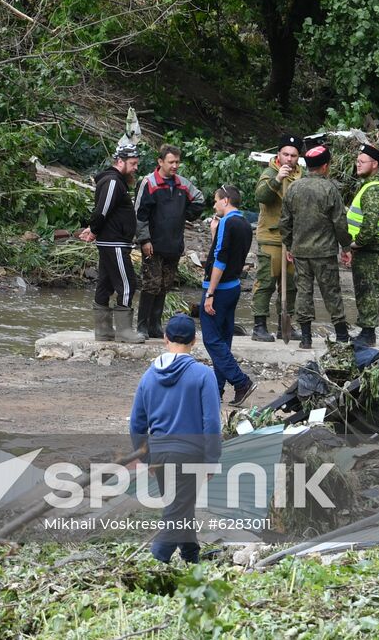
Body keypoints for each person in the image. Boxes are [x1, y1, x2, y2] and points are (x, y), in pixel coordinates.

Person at [129, 312, 222, 564]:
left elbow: (137, 422)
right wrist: (212, 458)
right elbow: (211, 422)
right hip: (189, 454)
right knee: (177, 513)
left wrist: (144, 454)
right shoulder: (203, 375)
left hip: (158, 453)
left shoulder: (148, 376)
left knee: (179, 507)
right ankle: (154, 562)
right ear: (194, 341)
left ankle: (192, 558)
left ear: (165, 338)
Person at [280, 145, 352, 350]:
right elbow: (340, 222)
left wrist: (289, 244)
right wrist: (346, 247)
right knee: (331, 292)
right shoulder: (330, 189)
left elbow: (285, 222)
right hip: (324, 252)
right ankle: (341, 336)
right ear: (325, 166)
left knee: (303, 292)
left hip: (300, 251)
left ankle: (305, 338)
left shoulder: (294, 188)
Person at [134, 144, 206, 339]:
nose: (175, 166)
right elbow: (140, 214)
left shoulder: (183, 183)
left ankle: (155, 325)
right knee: (151, 284)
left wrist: (186, 215)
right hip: (153, 244)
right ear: (160, 162)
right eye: (171, 162)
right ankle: (142, 325)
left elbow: (200, 199)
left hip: (174, 244)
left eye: (177, 162)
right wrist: (144, 239)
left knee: (165, 285)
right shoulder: (149, 183)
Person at [78, 141, 142, 343]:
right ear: (120, 161)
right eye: (132, 163)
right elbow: (102, 210)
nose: (136, 168)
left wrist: (94, 229)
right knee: (127, 283)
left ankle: (104, 331)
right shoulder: (113, 182)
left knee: (105, 284)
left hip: (113, 241)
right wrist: (94, 230)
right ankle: (124, 331)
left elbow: (106, 212)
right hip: (114, 243)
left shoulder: (116, 181)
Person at [201, 185, 255, 405]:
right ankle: (217, 390)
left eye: (216, 200)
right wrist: (215, 233)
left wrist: (210, 293)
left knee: (212, 340)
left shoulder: (227, 222)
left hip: (220, 288)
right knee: (223, 340)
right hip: (234, 286)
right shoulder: (244, 223)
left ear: (225, 200)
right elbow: (228, 250)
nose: (214, 205)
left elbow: (220, 259)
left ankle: (240, 381)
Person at [251, 135, 303, 343]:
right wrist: (277, 179)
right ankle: (259, 326)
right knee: (265, 282)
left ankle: (286, 326)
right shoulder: (270, 172)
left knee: (290, 285)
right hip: (271, 237)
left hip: (292, 240)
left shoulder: (301, 176)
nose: (289, 159)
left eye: (293, 155)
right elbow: (261, 196)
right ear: (278, 154)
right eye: (285, 154)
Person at [347, 143, 379, 347]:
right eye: (357, 161)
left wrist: (357, 243)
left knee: (367, 289)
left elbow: (370, 223)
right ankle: (366, 330)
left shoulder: (374, 189)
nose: (358, 164)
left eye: (362, 161)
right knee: (364, 287)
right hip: (365, 247)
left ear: (374, 164)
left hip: (367, 247)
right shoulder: (370, 185)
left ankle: (368, 333)